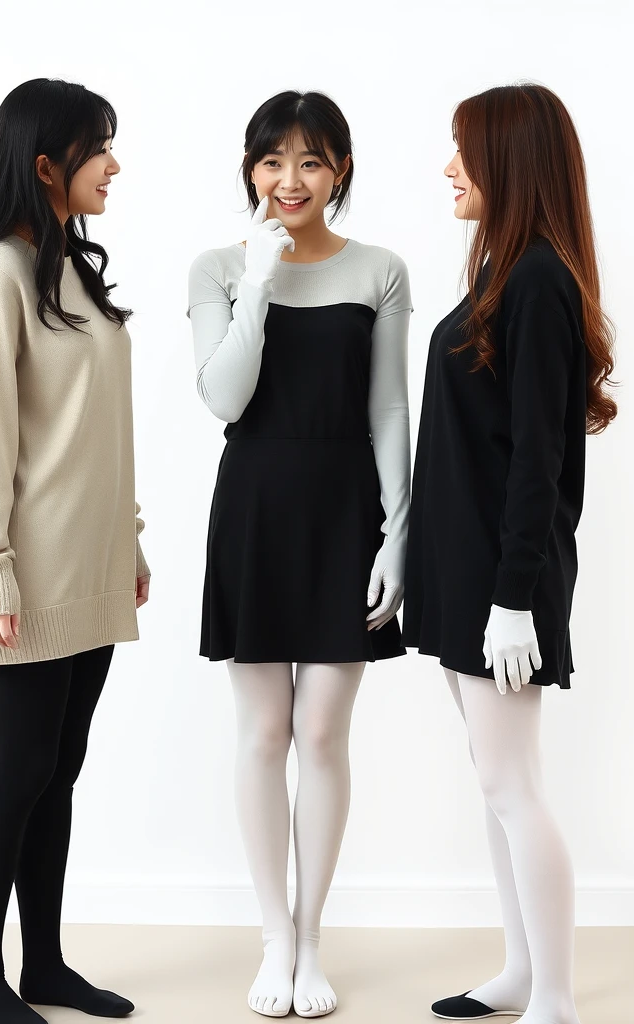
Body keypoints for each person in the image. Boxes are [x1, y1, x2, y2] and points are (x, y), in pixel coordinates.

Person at [0, 78, 149, 1024]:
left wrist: (129, 537)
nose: (114, 164)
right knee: (19, 769)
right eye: (99, 146)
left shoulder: (72, 272)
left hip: (93, 564)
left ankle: (46, 965)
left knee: (60, 768)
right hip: (30, 569)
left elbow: (100, 427)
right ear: (47, 162)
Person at [187, 90, 412, 1018]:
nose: (292, 180)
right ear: (251, 170)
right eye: (274, 162)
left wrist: (400, 531)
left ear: (341, 172)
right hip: (255, 509)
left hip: (343, 511)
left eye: (312, 162)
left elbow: (390, 407)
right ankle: (273, 939)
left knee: (321, 732)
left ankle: (312, 937)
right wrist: (262, 278)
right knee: (263, 733)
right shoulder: (216, 268)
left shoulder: (381, 270)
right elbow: (225, 399)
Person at [403, 83, 618, 1024]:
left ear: (510, 163)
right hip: (466, 574)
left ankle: (557, 997)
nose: (449, 168)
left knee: (512, 786)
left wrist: (514, 596)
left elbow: (540, 459)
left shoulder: (537, 281)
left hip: (505, 581)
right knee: (500, 787)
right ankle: (521, 972)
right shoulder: (503, 274)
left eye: (464, 152)